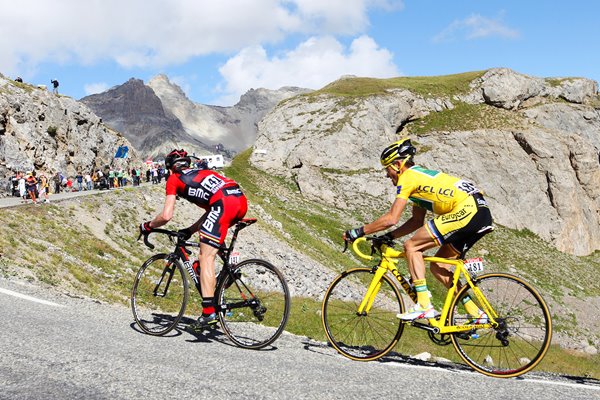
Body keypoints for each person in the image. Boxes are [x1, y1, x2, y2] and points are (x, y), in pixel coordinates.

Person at [343, 138, 493, 322]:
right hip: (481, 212)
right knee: (439, 268)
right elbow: (416, 221)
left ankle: (423, 305)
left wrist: (358, 232)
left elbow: (392, 218)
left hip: (466, 210)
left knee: (411, 247)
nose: (387, 175)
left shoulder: (408, 178)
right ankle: (476, 314)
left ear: (398, 165)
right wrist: (388, 236)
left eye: (387, 169)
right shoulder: (421, 178)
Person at [140, 149, 248, 328]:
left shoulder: (174, 178)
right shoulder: (202, 171)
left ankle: (208, 313)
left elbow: (166, 216)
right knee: (209, 241)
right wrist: (190, 230)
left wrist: (147, 226)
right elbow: (211, 210)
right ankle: (226, 274)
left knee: (205, 256)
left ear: (170, 168)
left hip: (222, 204)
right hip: (239, 200)